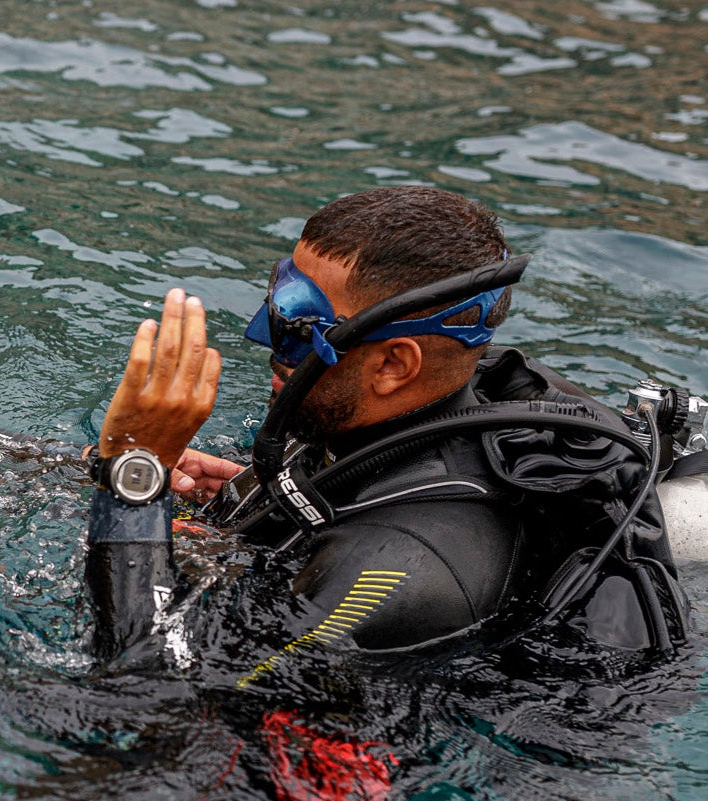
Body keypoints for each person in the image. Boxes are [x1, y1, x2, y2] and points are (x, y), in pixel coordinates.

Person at [85, 186, 687, 666]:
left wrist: (134, 474)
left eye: (300, 324)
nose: (266, 341)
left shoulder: (395, 566)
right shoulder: (391, 425)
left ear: (395, 365)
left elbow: (144, 684)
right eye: (278, 302)